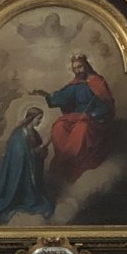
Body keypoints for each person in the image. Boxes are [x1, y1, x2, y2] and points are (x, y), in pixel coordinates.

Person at [41, 53, 114, 193]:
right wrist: (47, 95)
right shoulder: (76, 84)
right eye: (74, 68)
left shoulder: (98, 82)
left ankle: (75, 164)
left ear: (86, 65)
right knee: (59, 126)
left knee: (82, 129)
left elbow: (107, 107)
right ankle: (63, 160)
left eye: (80, 67)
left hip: (93, 120)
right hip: (75, 117)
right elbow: (61, 97)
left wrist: (91, 114)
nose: (77, 70)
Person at [0, 106, 52, 224]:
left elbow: (35, 154)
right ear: (31, 118)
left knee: (43, 202)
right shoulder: (19, 135)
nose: (40, 121)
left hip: (30, 173)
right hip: (19, 173)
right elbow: (21, 157)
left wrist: (42, 148)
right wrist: (43, 145)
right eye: (38, 118)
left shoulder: (33, 133)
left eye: (41, 119)